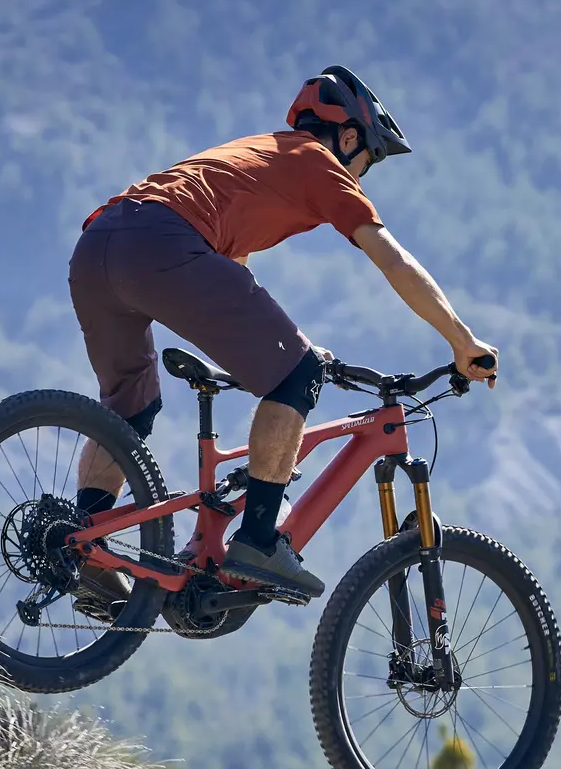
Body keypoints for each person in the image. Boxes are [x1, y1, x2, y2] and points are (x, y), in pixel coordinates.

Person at [67, 66, 497, 616]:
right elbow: (392, 259)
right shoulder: (318, 163)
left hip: (98, 245)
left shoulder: (256, 158)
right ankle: (258, 540)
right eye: (367, 162)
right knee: (296, 376)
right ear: (348, 137)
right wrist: (462, 340)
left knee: (131, 409)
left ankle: (83, 548)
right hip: (160, 242)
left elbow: (235, 280)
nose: (361, 178)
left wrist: (290, 347)